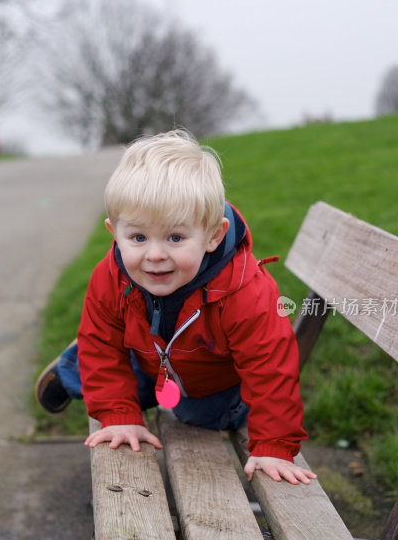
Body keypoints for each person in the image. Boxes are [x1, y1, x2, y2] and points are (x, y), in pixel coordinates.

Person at [36, 129, 316, 485]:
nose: (155, 255)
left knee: (200, 414)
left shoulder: (245, 290)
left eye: (175, 238)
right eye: (138, 238)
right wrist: (119, 416)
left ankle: (75, 366)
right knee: (104, 360)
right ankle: (76, 365)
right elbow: (102, 343)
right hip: (156, 361)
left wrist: (274, 445)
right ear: (114, 232)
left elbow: (270, 367)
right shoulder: (111, 277)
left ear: (213, 235)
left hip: (215, 383)